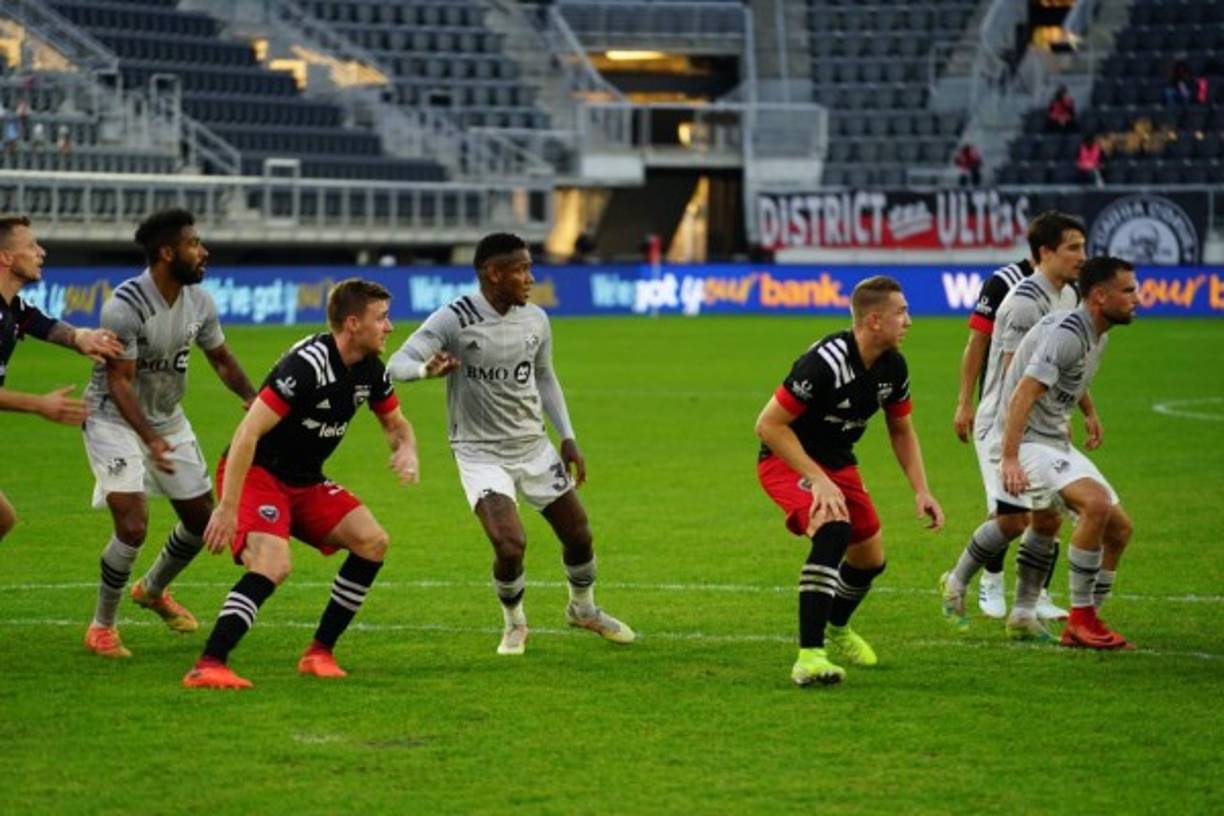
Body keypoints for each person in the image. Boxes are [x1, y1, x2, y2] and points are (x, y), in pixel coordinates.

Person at [387, 232, 634, 656]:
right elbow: (396, 364)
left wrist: (568, 436)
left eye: (530, 268)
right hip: (479, 452)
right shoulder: (454, 318)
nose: (529, 278)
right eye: (520, 269)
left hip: (533, 446)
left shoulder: (536, 319)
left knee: (579, 535)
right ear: (493, 273)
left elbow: (544, 376)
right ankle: (514, 623)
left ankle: (583, 609)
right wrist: (426, 371)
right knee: (509, 543)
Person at [184, 279, 419, 689]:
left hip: (305, 480)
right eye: (381, 318)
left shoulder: (370, 369)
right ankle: (209, 663)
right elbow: (246, 435)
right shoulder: (307, 365)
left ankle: (319, 653)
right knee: (274, 564)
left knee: (372, 541)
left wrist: (406, 448)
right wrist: (226, 508)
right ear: (352, 324)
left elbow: (397, 425)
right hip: (259, 472)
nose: (390, 327)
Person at [81, 208, 257, 659]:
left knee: (204, 523)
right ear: (167, 252)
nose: (204, 251)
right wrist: (149, 439)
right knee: (133, 523)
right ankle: (102, 626)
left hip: (166, 418)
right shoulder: (125, 306)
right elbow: (119, 382)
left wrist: (255, 401)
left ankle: (152, 589)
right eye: (194, 243)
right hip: (113, 419)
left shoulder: (199, 301)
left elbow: (221, 358)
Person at [755, 276, 945, 686]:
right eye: (901, 313)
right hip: (788, 459)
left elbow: (901, 430)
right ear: (874, 320)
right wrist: (816, 478)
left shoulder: (893, 365)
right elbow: (768, 425)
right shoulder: (824, 363)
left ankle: (837, 626)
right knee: (833, 528)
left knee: (869, 560)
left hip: (838, 462)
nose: (909, 321)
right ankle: (809, 656)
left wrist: (921, 489)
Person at [941, 212, 1091, 637]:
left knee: (1046, 518)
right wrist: (965, 404)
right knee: (1012, 519)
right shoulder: (1018, 296)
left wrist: (1084, 410)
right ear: (1045, 252)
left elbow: (1063, 363)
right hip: (1006, 419)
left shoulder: (1068, 296)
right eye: (1074, 248)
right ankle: (959, 582)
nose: (1083, 256)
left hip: (1039, 420)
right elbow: (1012, 375)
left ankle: (1025, 610)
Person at [995, 256, 1138, 650]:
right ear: (1099, 296)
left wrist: (1088, 411)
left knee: (1120, 529)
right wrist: (1008, 458)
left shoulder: (1097, 333)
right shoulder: (1069, 332)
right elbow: (1024, 391)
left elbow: (1068, 378)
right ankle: (1080, 620)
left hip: (1055, 440)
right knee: (1094, 504)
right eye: (1127, 291)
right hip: (1027, 442)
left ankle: (1089, 613)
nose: (1136, 298)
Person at [0, 215, 124, 541]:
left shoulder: (11, 307)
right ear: (5, 257)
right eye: (31, 246)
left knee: (2, 519)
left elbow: (42, 323)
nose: (41, 252)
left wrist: (80, 337)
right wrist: (39, 404)